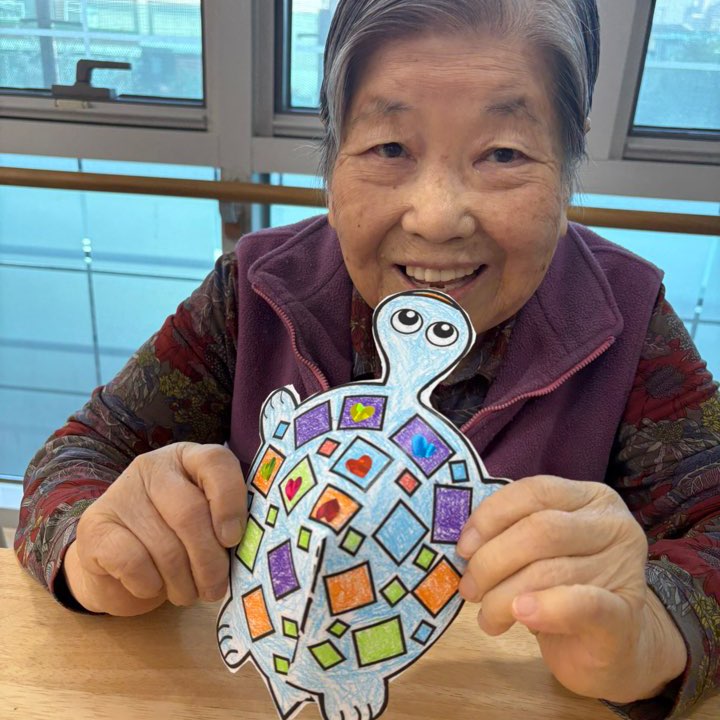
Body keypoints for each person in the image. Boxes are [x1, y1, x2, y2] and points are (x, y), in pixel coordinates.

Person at [14, 0, 720, 718]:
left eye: (504, 153)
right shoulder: (254, 292)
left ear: (568, 163)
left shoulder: (630, 326)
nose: (437, 217)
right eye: (389, 148)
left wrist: (655, 633)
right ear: (333, 153)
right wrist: (92, 549)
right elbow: (78, 455)